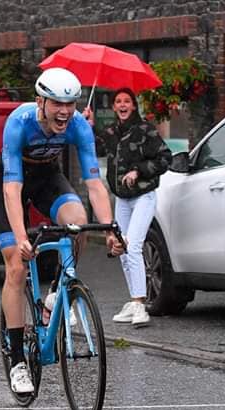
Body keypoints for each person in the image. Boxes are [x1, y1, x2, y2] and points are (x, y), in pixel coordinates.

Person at [0, 67, 124, 395]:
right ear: (40, 102)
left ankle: (56, 293)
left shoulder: (78, 125)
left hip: (46, 177)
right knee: (16, 266)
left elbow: (94, 184)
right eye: (57, 103)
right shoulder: (19, 123)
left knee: (77, 221)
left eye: (70, 104)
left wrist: (110, 228)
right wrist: (21, 238)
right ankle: (18, 361)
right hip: (12, 181)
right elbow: (12, 189)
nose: (65, 111)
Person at [85, 88, 172, 327]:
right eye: (118, 102)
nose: (122, 105)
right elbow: (96, 147)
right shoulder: (112, 132)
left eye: (127, 101)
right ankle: (134, 302)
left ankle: (140, 305)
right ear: (114, 107)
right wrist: (88, 125)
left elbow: (165, 158)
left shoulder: (145, 130)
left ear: (133, 106)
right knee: (121, 248)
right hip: (122, 199)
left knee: (132, 247)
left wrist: (138, 171)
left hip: (144, 196)